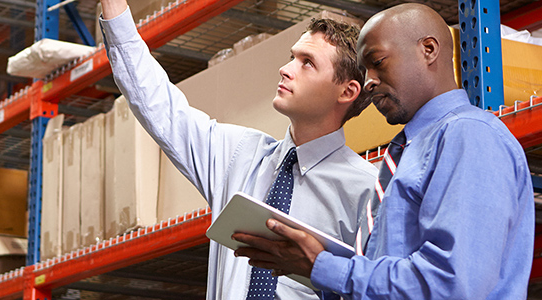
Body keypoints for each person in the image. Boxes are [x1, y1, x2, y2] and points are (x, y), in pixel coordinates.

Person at [233, 3, 535, 299]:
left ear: (428, 49)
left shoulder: (468, 136)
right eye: (364, 71)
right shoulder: (410, 151)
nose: (368, 82)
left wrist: (325, 267)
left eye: (377, 62)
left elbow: (451, 285)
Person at [98, 0, 378, 299]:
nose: (285, 69)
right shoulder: (239, 156)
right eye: (291, 57)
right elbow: (159, 105)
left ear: (347, 91)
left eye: (307, 62)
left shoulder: (366, 191)